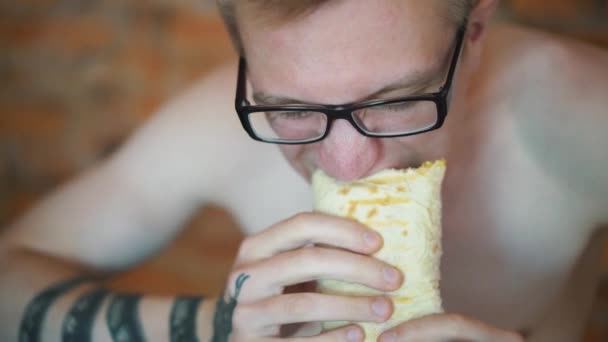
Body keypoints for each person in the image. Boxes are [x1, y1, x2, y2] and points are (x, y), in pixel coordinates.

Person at [1, 0, 607, 341]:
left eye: (398, 100)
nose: (347, 164)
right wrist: (214, 326)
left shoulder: (585, 117)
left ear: (474, 32)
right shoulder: (214, 121)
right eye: (291, 109)